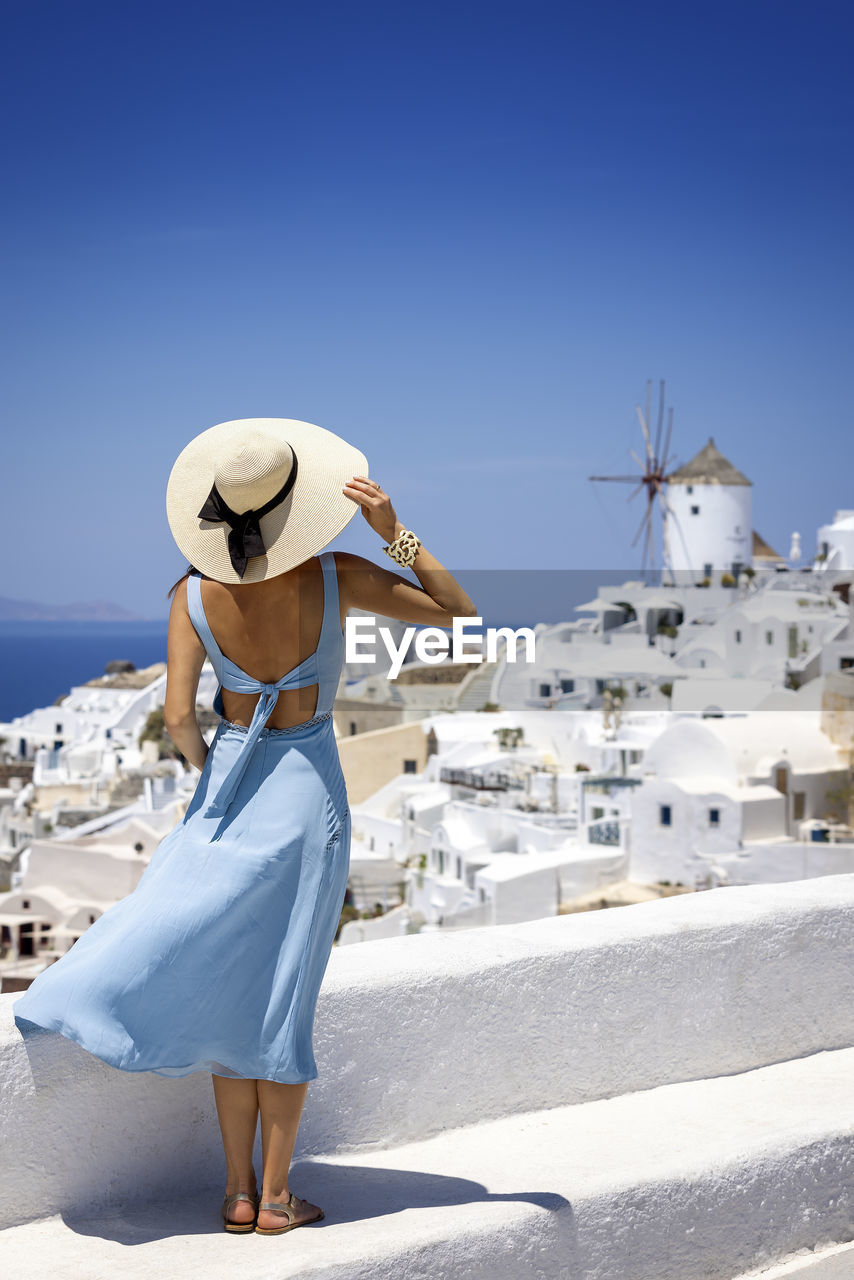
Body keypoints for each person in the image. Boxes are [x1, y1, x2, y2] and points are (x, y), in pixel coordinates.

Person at [14, 417, 476, 1236]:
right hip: (309, 793)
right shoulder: (337, 574)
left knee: (232, 996)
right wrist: (393, 531)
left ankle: (234, 1192)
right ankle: (274, 1198)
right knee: (282, 1000)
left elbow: (177, 717)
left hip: (230, 791)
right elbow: (457, 609)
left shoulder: (189, 593)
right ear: (298, 504)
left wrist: (214, 782)